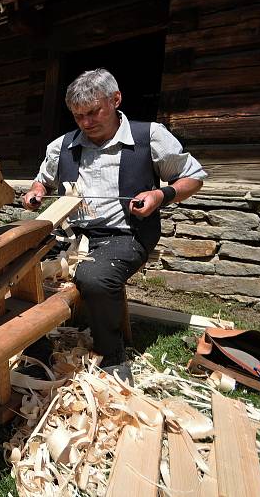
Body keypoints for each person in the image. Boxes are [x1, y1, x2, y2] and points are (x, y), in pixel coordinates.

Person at [23, 68, 206, 376]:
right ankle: (37, 348)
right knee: (20, 267)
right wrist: (36, 193)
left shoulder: (149, 135)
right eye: (78, 116)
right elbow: (42, 183)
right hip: (71, 234)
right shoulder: (62, 146)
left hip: (126, 234)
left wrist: (160, 195)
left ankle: (112, 354)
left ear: (116, 99)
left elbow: (194, 177)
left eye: (93, 112)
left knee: (95, 277)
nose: (86, 123)